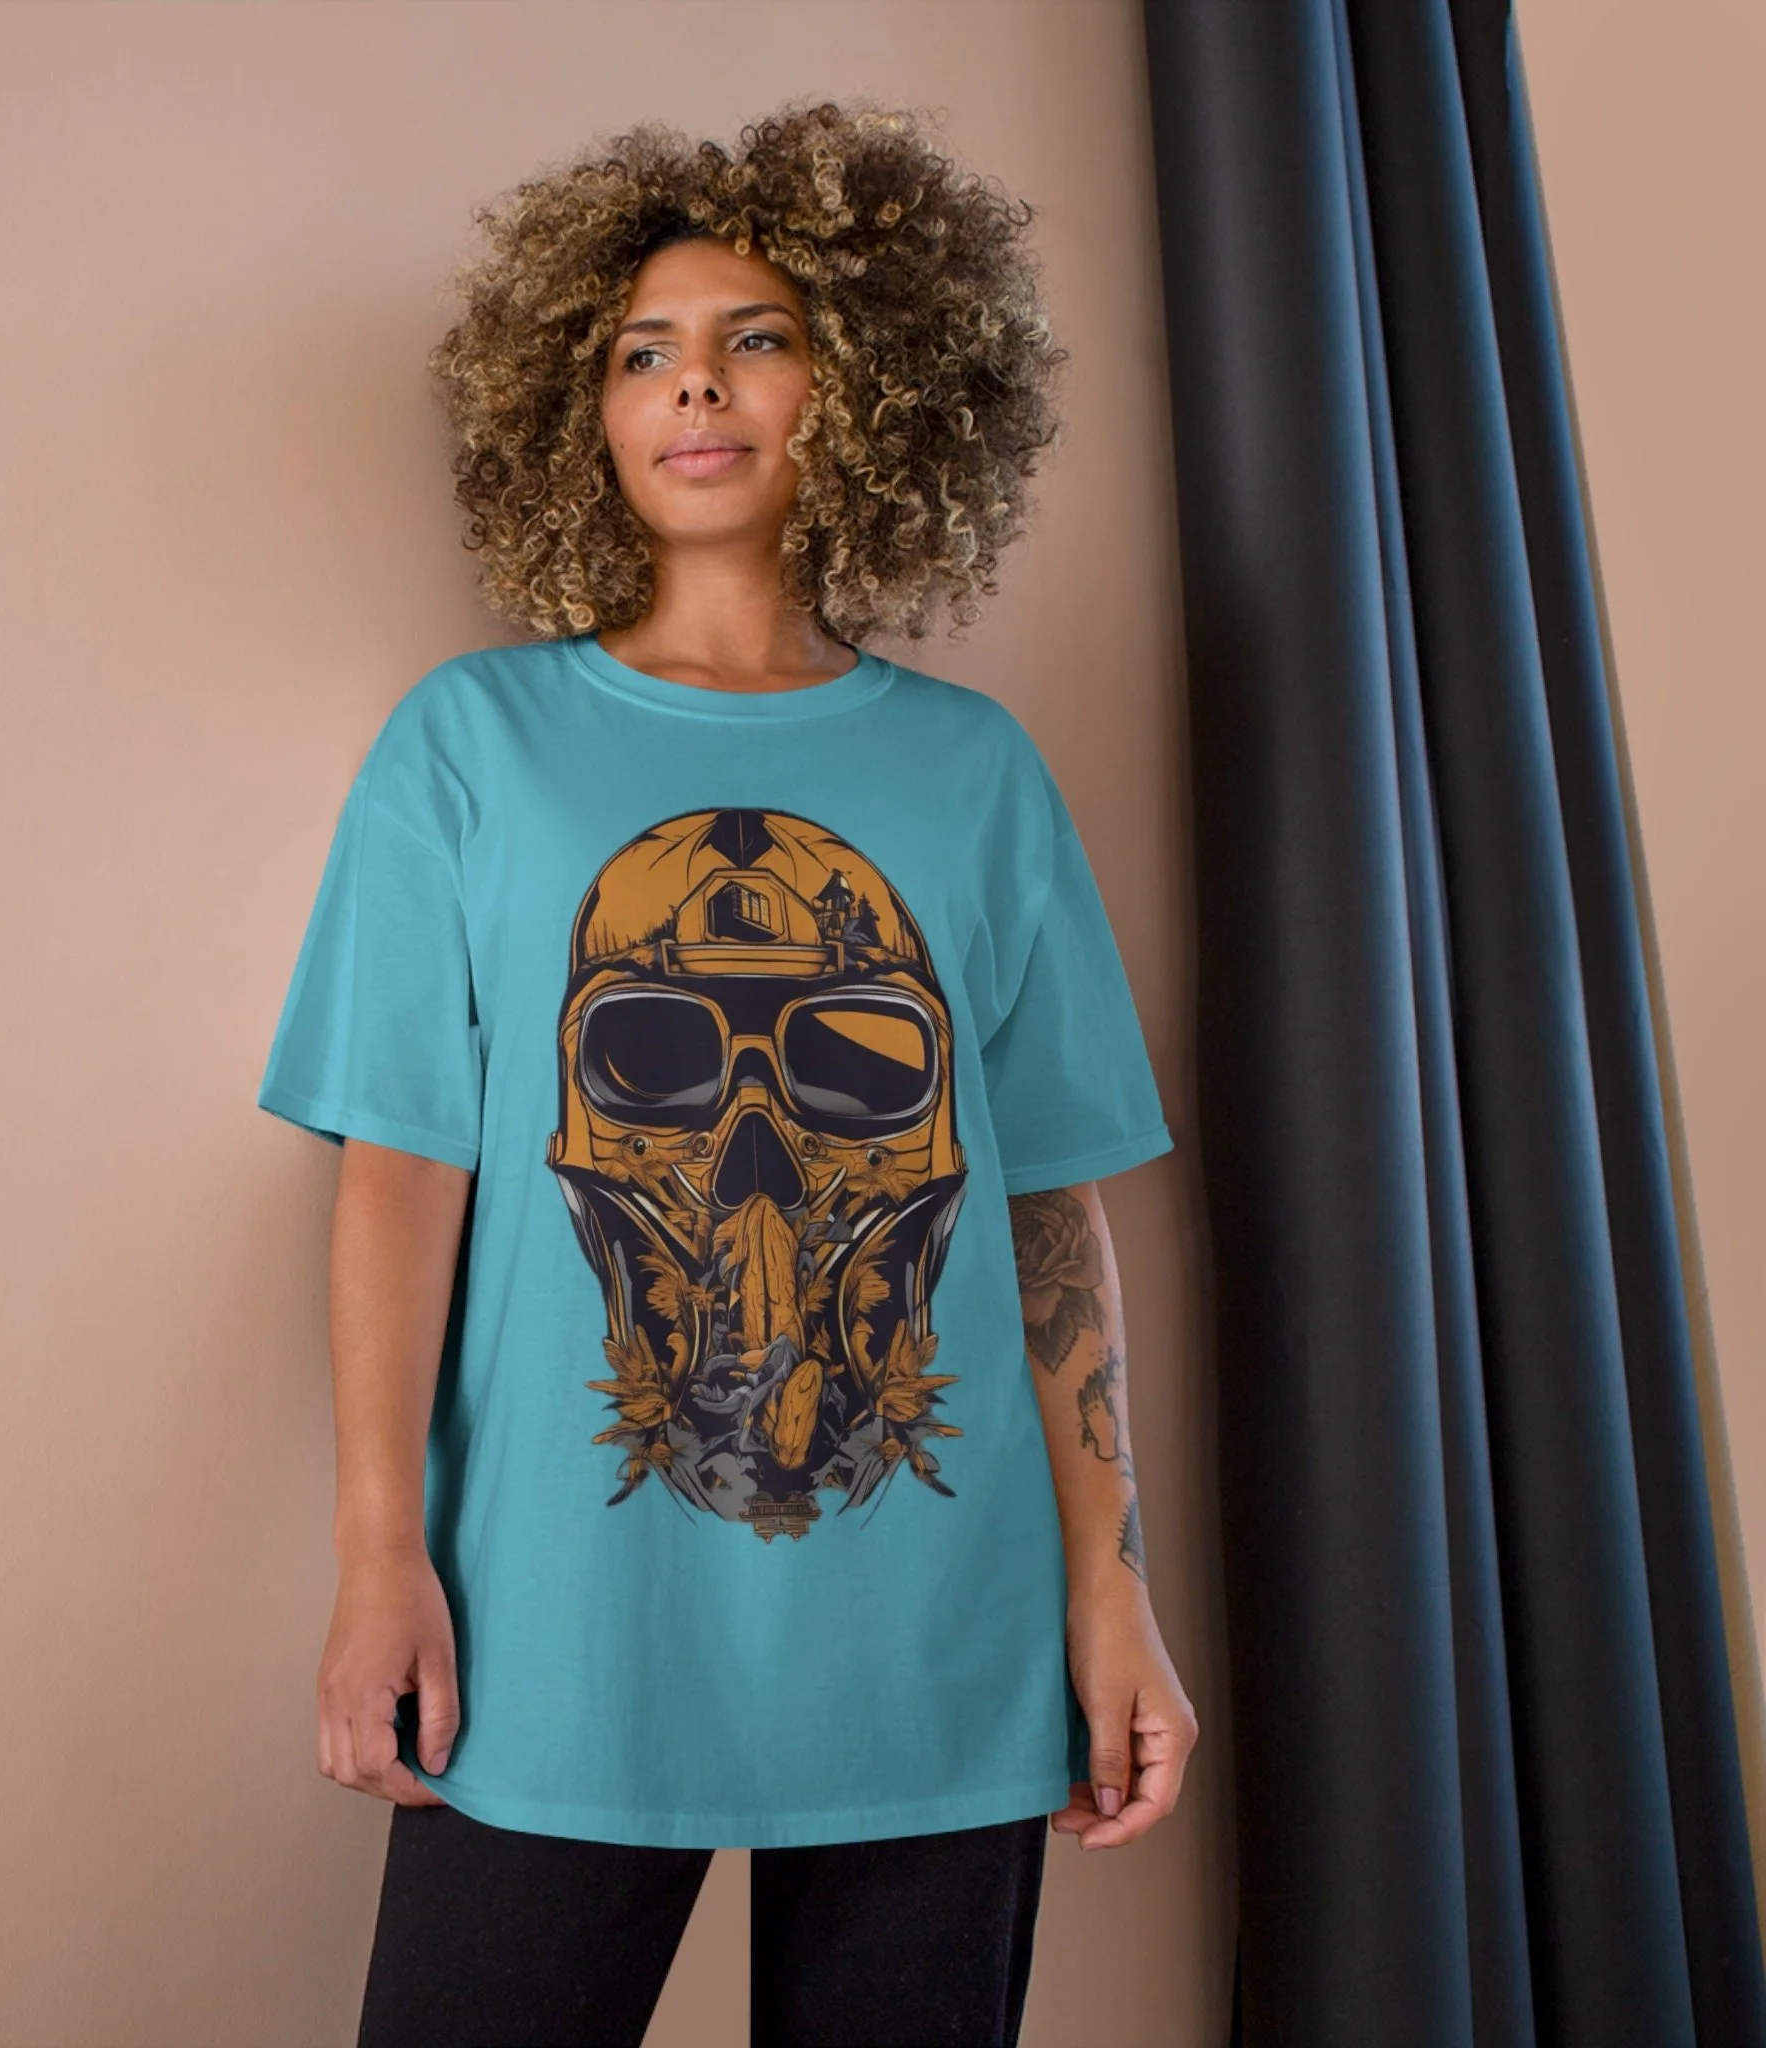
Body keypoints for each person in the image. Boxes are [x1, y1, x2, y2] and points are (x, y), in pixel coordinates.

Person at [257, 95, 1199, 2048]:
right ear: (580, 412)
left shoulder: (975, 770)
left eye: (754, 337)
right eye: (642, 351)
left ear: (866, 389)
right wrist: (376, 1551)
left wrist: (1115, 1590)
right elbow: (403, 1168)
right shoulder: (472, 744)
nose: (693, 384)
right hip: (553, 1634)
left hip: (940, 1644)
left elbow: (1042, 1203)